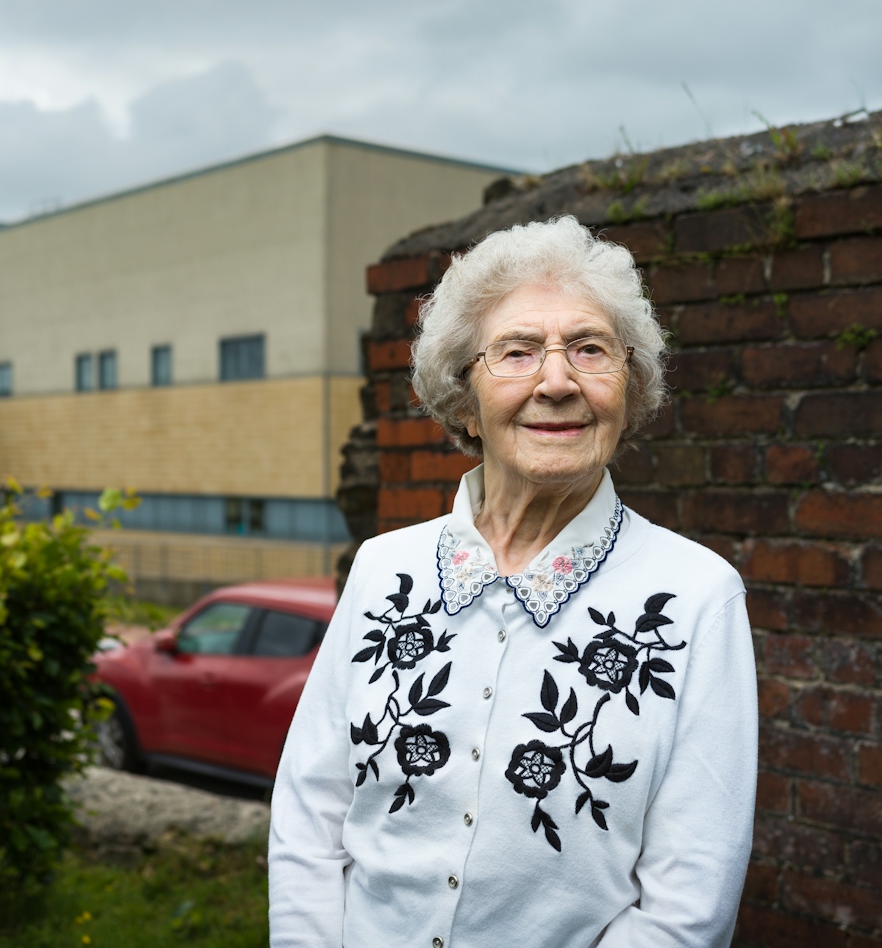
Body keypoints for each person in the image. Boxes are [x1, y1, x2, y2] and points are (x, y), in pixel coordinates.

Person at [269, 216, 757, 948]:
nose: (556, 381)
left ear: (631, 387)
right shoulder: (382, 569)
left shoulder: (696, 598)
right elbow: (310, 817)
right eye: (518, 352)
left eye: (590, 349)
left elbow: (689, 901)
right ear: (463, 397)